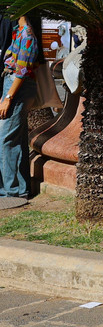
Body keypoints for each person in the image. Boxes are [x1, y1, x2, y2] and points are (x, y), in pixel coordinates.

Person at [0, 12, 42, 206]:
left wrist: (8, 98)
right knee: (16, 138)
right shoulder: (19, 31)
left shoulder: (27, 35)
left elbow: (22, 71)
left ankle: (12, 191)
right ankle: (20, 189)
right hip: (13, 86)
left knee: (6, 139)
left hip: (18, 88)